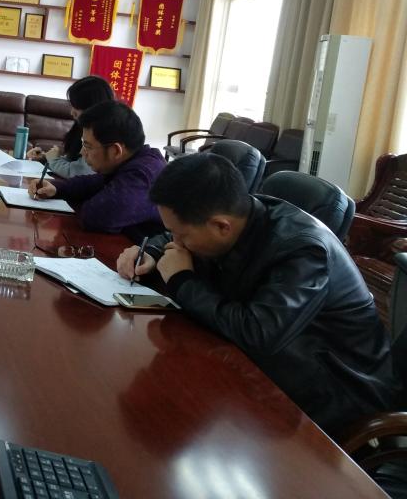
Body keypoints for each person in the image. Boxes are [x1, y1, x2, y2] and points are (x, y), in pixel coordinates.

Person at [117, 151, 400, 437]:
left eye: (182, 236)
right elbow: (175, 235)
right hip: (273, 366)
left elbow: (257, 334)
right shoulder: (241, 213)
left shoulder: (304, 250)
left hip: (336, 392)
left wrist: (182, 281)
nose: (177, 242)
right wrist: (152, 251)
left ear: (221, 226)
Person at [28, 100, 165, 237]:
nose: (82, 152)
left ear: (115, 151)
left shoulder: (143, 174)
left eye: (88, 146)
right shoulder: (131, 161)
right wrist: (57, 188)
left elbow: (95, 217)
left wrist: (84, 200)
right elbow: (95, 182)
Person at [26, 75, 115, 179]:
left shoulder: (102, 134)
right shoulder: (82, 127)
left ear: (91, 106)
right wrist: (46, 158)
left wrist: (53, 160)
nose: (71, 112)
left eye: (76, 107)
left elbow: (79, 172)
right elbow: (72, 160)